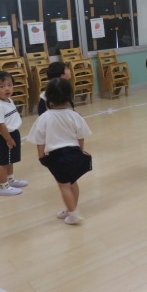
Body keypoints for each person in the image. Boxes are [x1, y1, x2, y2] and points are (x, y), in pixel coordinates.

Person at [27, 78, 92, 225]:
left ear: (48, 98)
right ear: (70, 96)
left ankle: (73, 214)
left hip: (57, 157)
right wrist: (81, 151)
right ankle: (72, 209)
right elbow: (81, 137)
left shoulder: (44, 117)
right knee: (73, 183)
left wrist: (41, 156)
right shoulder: (74, 115)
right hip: (74, 153)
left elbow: (40, 140)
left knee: (64, 186)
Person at [0, 71, 28, 196]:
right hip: (3, 137)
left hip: (12, 134)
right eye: (2, 86)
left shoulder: (8, 100)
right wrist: (8, 139)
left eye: (9, 85)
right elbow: (0, 125)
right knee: (4, 163)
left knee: (10, 160)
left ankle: (10, 180)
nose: (7, 88)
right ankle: (3, 186)